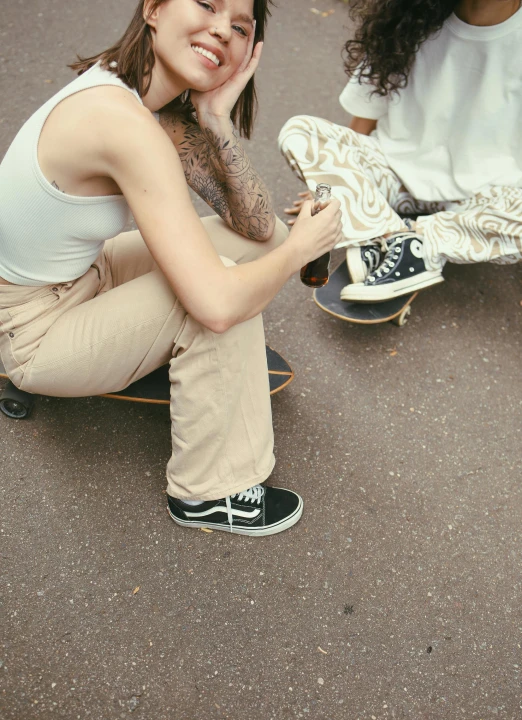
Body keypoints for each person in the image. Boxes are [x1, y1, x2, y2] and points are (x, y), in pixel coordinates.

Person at [0, 0, 342, 536]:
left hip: (81, 278)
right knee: (217, 294)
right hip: (33, 330)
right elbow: (218, 302)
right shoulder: (126, 125)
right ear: (154, 8)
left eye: (239, 27)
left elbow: (255, 227)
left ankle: (167, 352)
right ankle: (209, 492)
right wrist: (304, 250)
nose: (220, 29)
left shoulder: (141, 99)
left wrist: (215, 118)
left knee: (258, 244)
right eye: (206, 4)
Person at [279, 0, 522, 302]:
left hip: (478, 199)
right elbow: (366, 109)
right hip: (393, 175)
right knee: (299, 132)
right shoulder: (411, 13)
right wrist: (340, 180)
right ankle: (404, 239)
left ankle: (410, 241)